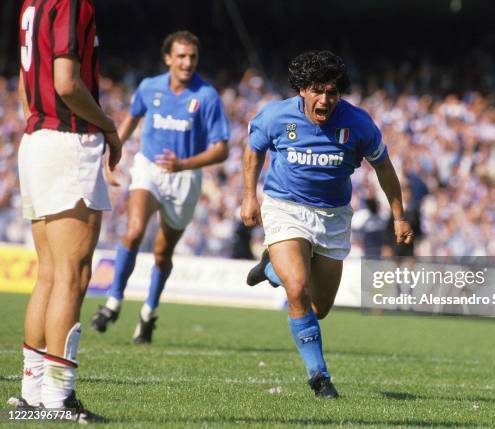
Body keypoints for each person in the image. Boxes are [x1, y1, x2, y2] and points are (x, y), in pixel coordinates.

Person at [241, 50, 412, 398]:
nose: (325, 99)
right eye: (317, 90)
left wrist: (399, 215)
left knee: (319, 308)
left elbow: (384, 168)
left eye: (332, 92)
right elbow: (253, 149)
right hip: (285, 208)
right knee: (297, 291)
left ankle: (272, 268)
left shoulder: (359, 124)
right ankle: (320, 378)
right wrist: (248, 196)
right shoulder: (277, 116)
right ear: (302, 89)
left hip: (333, 217)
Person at [14, 0, 121, 422]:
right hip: (67, 140)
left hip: (38, 137)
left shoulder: (31, 3)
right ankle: (57, 400)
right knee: (72, 275)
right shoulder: (71, 3)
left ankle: (32, 394)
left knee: (49, 273)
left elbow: (27, 86)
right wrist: (108, 126)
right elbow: (66, 82)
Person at [90, 31, 229, 343]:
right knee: (134, 230)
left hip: (185, 177)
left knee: (163, 253)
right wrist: (114, 149)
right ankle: (112, 302)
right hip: (149, 168)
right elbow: (131, 119)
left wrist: (184, 164)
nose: (187, 62)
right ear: (168, 58)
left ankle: (148, 312)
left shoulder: (206, 96)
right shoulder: (149, 87)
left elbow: (222, 149)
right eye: (181, 56)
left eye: (192, 56)